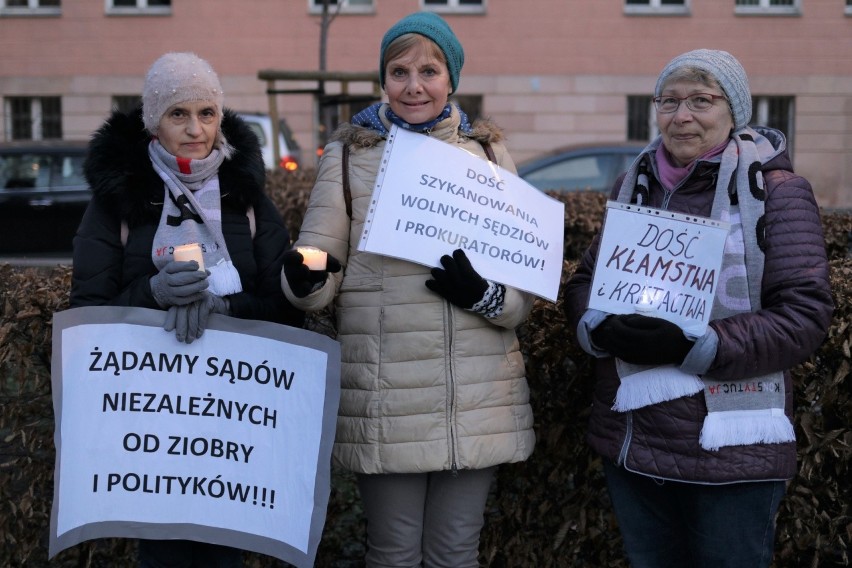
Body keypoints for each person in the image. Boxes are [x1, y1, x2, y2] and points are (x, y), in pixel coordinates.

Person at [280, 12, 535, 568]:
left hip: (474, 396)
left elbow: (523, 289)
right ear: (383, 80)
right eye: (399, 72)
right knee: (393, 555)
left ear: (451, 80)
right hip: (385, 394)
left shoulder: (488, 157)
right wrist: (304, 278)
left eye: (429, 70)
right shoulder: (347, 157)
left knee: (454, 554)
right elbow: (318, 273)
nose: (413, 85)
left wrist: (484, 296)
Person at [563, 49, 834, 567]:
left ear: (734, 111)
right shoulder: (632, 186)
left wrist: (696, 345)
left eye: (701, 100)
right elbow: (585, 283)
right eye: (669, 101)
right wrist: (599, 328)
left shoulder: (778, 193)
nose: (681, 115)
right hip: (635, 440)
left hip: (731, 453)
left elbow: (804, 315)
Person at [70, 51, 303, 567]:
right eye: (178, 114)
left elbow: (286, 312)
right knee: (162, 551)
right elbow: (85, 316)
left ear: (220, 117)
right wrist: (152, 295)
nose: (195, 129)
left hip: (232, 423)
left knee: (225, 554)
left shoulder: (248, 200)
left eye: (207, 113)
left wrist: (224, 307)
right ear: (154, 121)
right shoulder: (116, 202)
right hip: (148, 427)